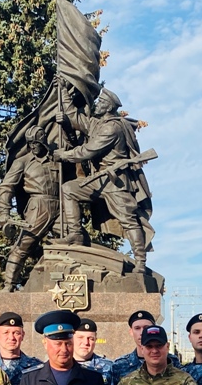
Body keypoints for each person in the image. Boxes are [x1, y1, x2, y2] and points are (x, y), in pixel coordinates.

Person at [55, 87, 155, 272]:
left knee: (129, 220)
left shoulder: (112, 127)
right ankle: (76, 234)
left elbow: (88, 151)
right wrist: (63, 92)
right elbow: (76, 118)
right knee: (69, 189)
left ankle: (140, 261)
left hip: (115, 181)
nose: (97, 105)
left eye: (101, 103)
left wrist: (64, 155)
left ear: (109, 107)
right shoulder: (98, 124)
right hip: (100, 179)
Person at [0, 125, 60, 291]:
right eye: (30, 143)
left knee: (76, 242)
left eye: (36, 143)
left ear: (43, 141)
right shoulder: (22, 162)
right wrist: (4, 211)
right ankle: (9, 285)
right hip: (38, 207)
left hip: (62, 206)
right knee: (22, 246)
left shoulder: (57, 158)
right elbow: (6, 187)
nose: (32, 146)